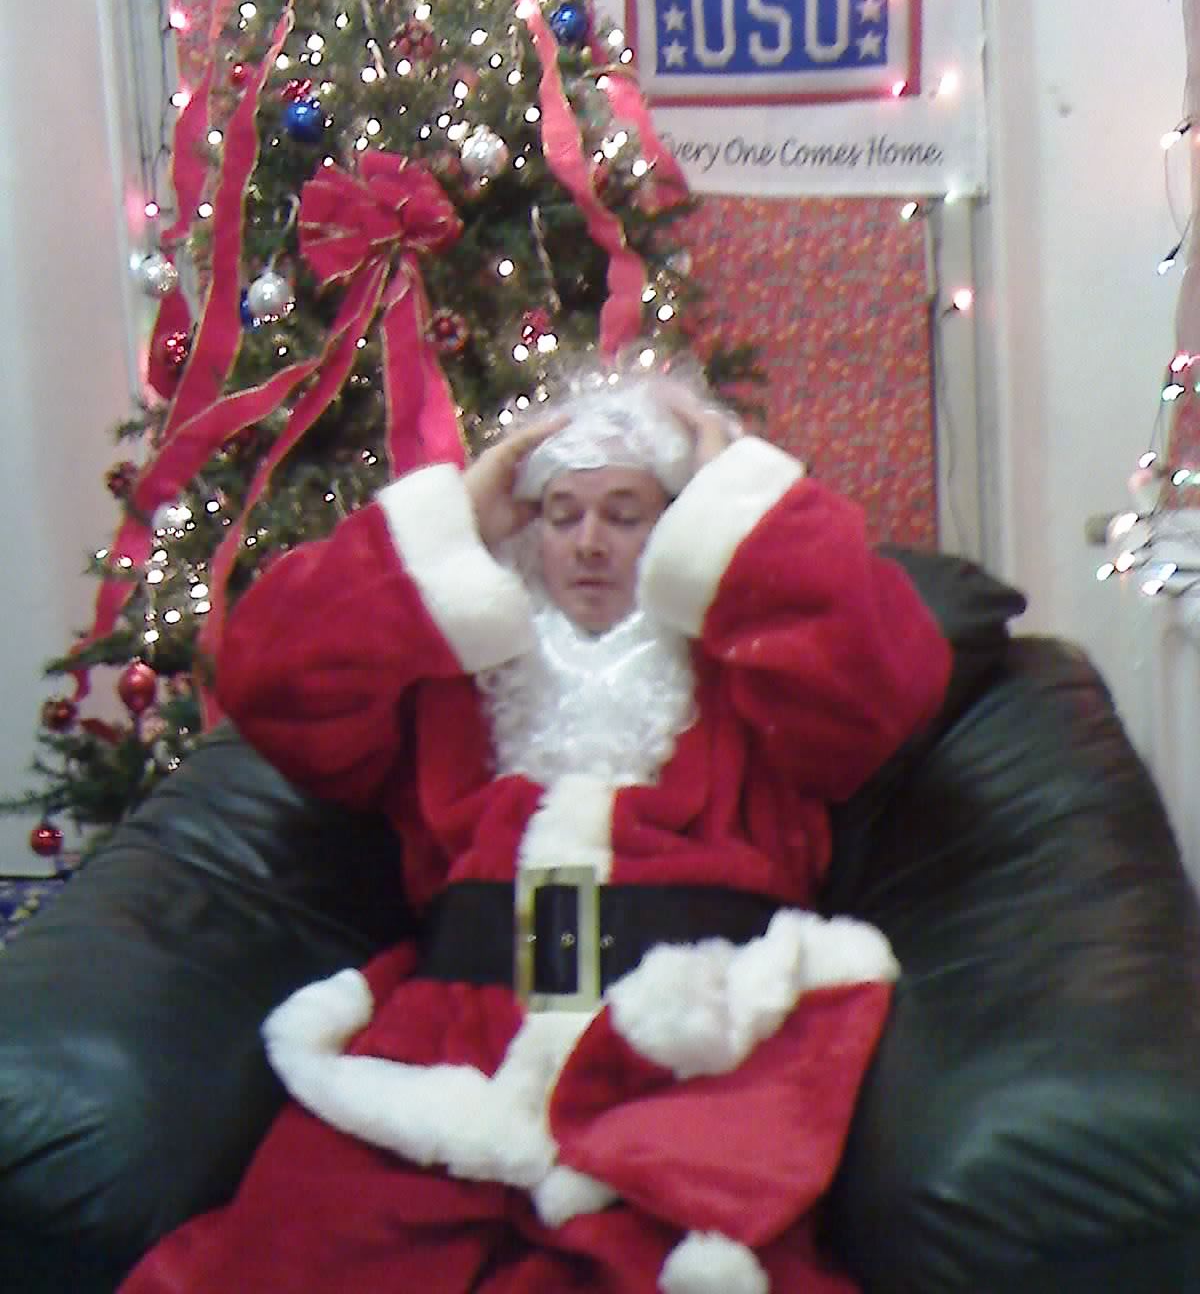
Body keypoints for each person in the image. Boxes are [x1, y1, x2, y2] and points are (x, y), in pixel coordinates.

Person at [119, 356, 952, 1294]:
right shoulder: (458, 678)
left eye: (627, 515)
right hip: (454, 1047)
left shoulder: (753, 677)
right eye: (562, 514)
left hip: (683, 1052)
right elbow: (270, 679)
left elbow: (886, 685)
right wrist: (454, 523)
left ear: (686, 524)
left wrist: (740, 503)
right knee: (305, 1253)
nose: (590, 544)